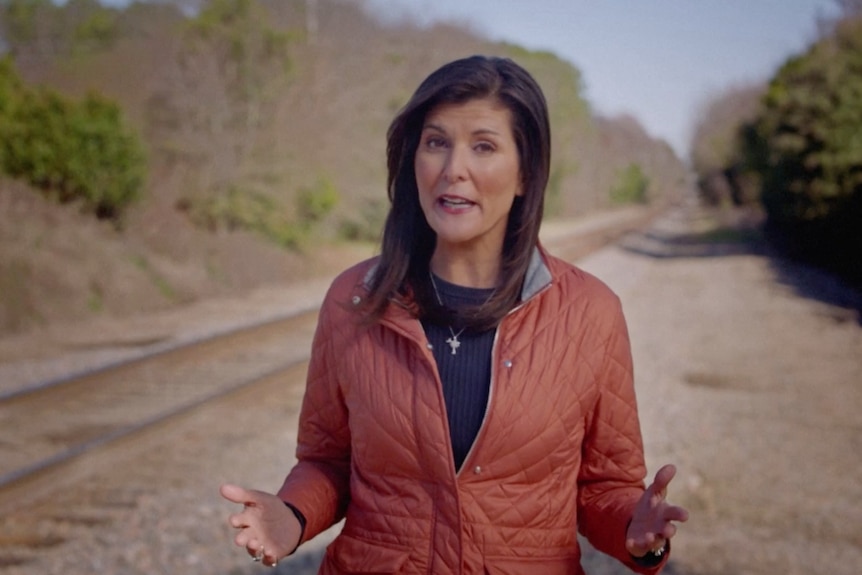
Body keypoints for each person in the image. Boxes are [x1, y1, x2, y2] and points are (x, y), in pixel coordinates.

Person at [220, 54, 688, 574]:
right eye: (436, 142)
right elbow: (328, 461)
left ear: (525, 175)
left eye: (483, 146)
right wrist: (291, 515)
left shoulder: (590, 312)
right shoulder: (354, 298)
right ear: (413, 159)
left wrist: (636, 531)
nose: (452, 169)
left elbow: (605, 488)